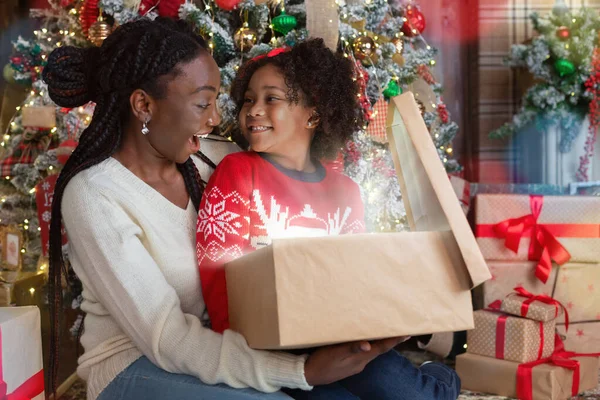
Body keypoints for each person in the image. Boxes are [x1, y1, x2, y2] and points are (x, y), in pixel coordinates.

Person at [43, 18, 407, 400]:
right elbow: (166, 336)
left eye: (217, 102)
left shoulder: (214, 159)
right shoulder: (95, 195)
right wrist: (300, 371)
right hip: (136, 368)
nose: (216, 119)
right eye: (203, 103)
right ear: (144, 105)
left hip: (225, 350)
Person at [197, 38, 462, 400]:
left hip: (343, 339)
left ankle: (439, 383)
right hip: (272, 348)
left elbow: (356, 279)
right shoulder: (238, 171)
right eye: (248, 100)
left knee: (405, 391)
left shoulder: (346, 192)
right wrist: (243, 348)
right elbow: (216, 271)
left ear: (313, 115)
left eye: (271, 99)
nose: (254, 109)